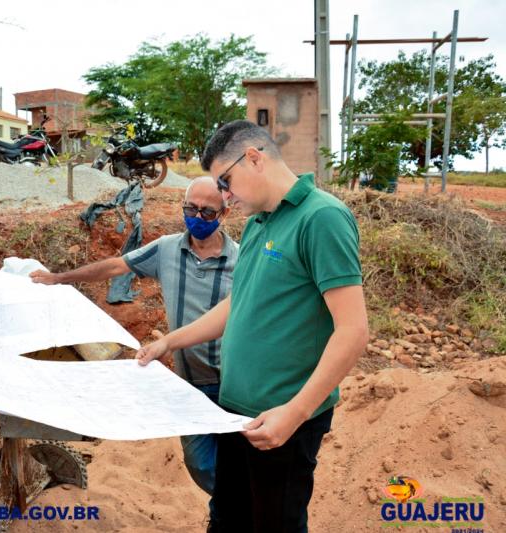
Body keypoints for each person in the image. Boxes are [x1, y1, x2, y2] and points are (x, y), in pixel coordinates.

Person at [136, 120, 369, 533]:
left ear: (255, 158)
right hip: (234, 413)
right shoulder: (261, 221)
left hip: (280, 420)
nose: (225, 196)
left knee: (274, 524)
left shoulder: (322, 218)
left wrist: (295, 413)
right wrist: (169, 342)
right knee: (228, 518)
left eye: (226, 181)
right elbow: (237, 304)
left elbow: (352, 330)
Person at [30, 177, 238, 516]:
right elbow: (117, 265)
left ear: (224, 214)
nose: (197, 217)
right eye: (190, 209)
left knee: (237, 462)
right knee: (202, 465)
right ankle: (237, 508)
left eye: (207, 211)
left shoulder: (242, 261)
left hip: (234, 383)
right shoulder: (167, 249)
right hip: (189, 384)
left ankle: (231, 517)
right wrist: (59, 278)